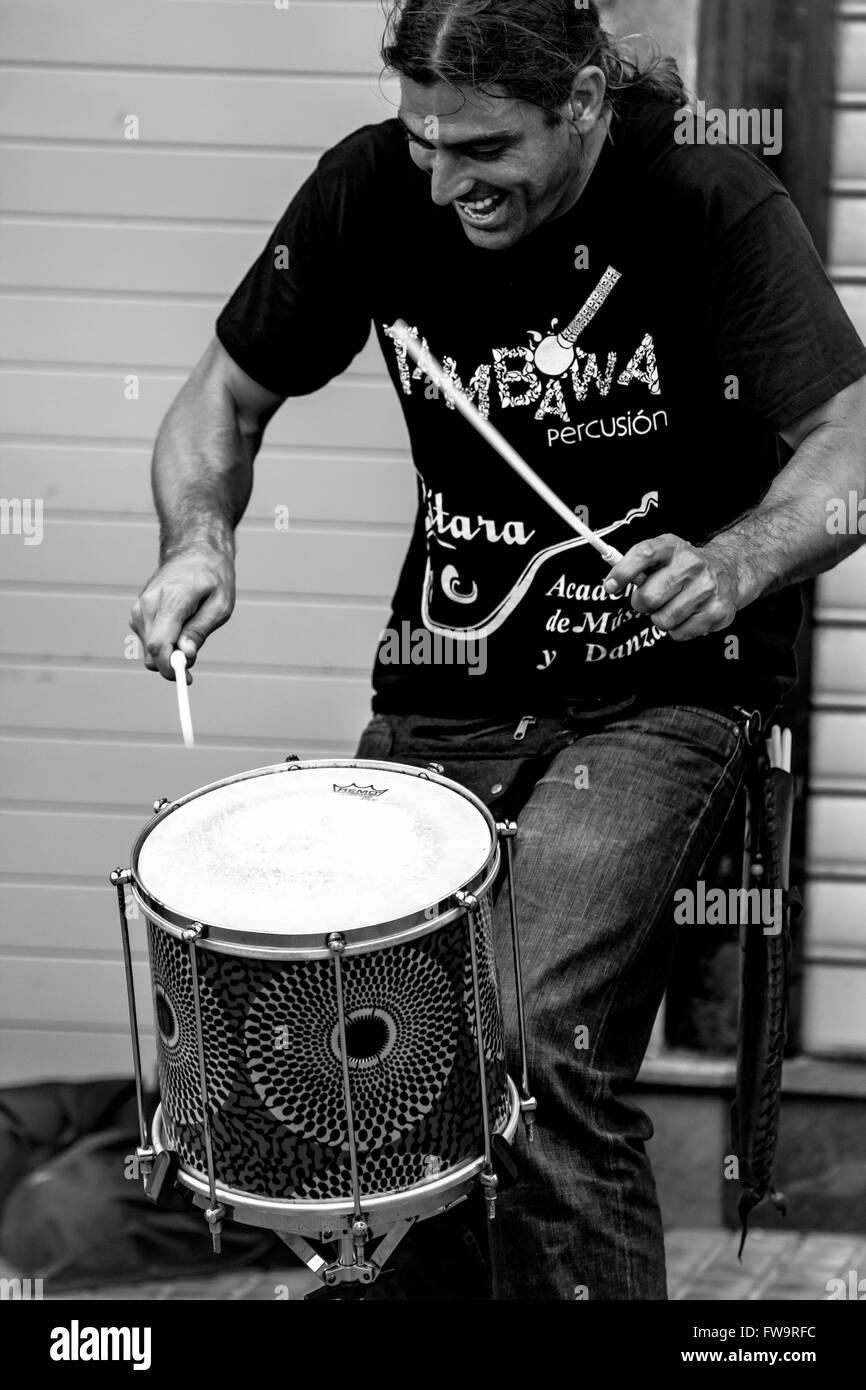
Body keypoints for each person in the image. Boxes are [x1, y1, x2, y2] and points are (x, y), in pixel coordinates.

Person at [131, 0, 866, 1299]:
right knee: (369, 1034)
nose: (443, 178)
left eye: (480, 146)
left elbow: (848, 442)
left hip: (662, 690)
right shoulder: (371, 186)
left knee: (533, 1035)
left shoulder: (707, 191)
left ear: (580, 101)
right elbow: (219, 401)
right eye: (422, 140)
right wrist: (200, 539)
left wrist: (736, 560)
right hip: (446, 684)